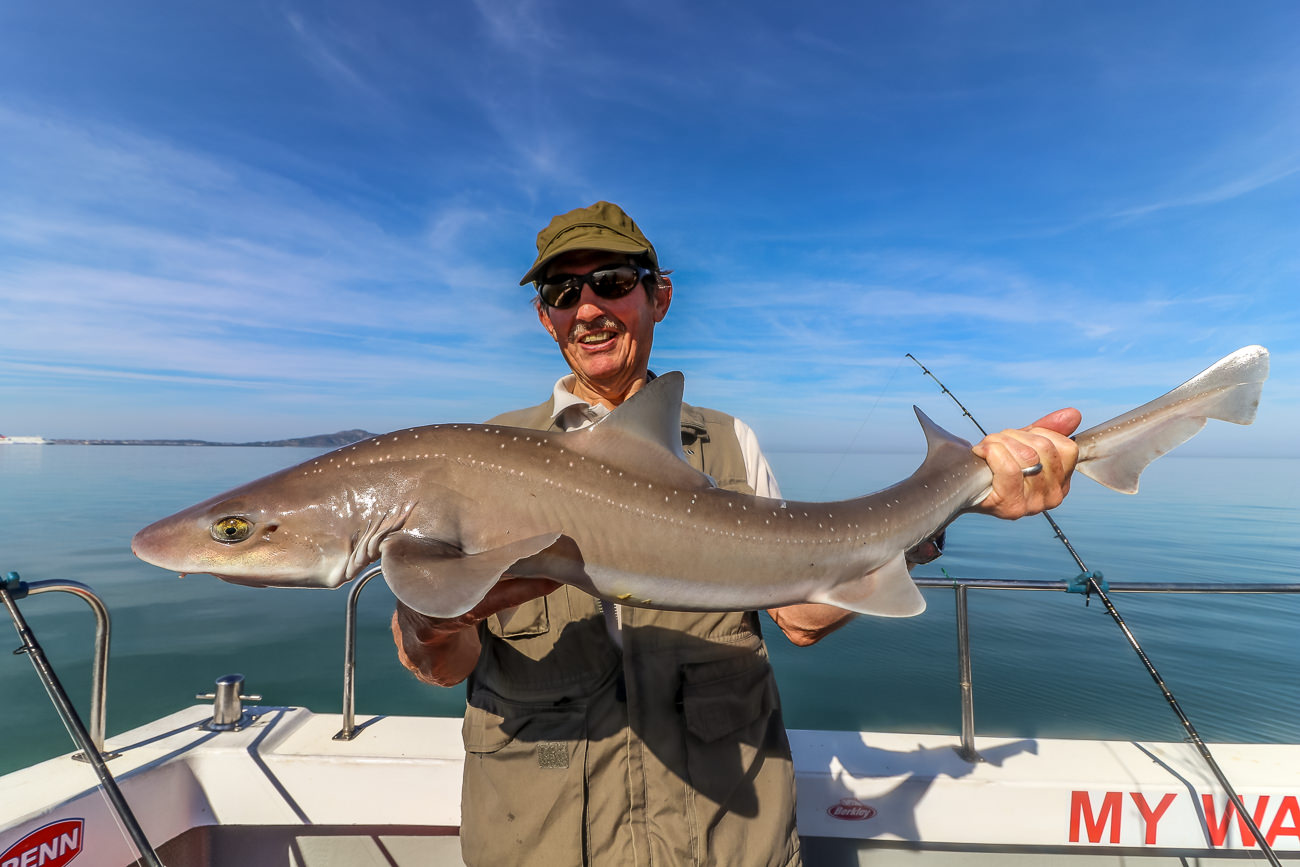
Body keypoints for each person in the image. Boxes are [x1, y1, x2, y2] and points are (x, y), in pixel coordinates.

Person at [391, 201, 1080, 866]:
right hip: (538, 837)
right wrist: (430, 621)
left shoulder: (727, 444)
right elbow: (444, 664)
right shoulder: (481, 462)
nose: (589, 308)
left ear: (658, 296)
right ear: (544, 316)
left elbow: (802, 616)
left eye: (611, 282)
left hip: (723, 840)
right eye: (563, 291)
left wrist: (943, 512)